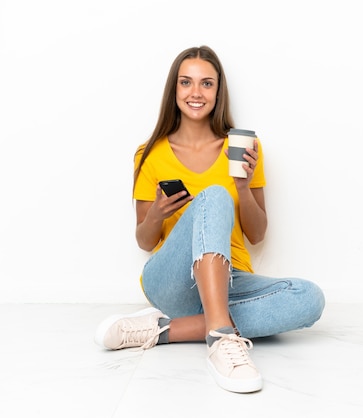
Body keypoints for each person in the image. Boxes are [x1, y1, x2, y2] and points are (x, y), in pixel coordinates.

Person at [94, 45, 325, 394]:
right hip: (174, 282)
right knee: (214, 196)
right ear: (175, 90)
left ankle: (162, 330)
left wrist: (243, 188)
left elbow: (257, 234)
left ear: (218, 92)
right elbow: (144, 240)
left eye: (207, 84)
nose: (196, 93)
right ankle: (221, 338)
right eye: (186, 82)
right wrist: (157, 212)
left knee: (310, 298)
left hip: (230, 280)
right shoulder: (150, 154)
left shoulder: (243, 148)